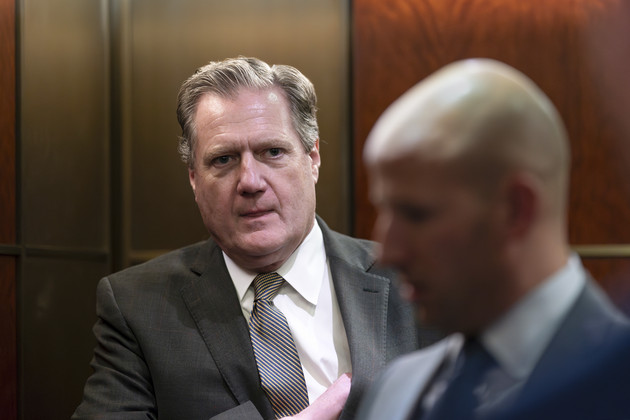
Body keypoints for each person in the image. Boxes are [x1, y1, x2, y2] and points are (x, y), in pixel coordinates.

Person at [72, 56, 418, 420]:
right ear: (193, 178)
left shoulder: (412, 275)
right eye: (223, 160)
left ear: (312, 157)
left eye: (272, 152)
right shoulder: (136, 305)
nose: (250, 181)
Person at [355, 58, 630, 419]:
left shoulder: (617, 384)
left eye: (416, 215)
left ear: (516, 209)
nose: (388, 252)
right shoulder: (394, 389)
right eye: (384, 212)